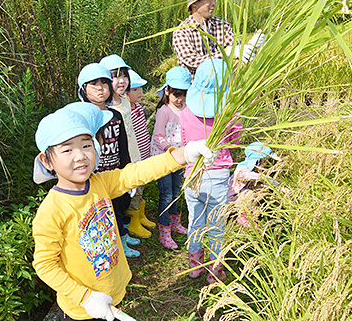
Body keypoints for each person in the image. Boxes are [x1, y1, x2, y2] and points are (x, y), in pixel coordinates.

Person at [32, 103, 217, 321]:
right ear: (47, 160)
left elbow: (138, 173)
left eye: (86, 145)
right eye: (67, 150)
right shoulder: (52, 210)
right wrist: (86, 298)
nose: (80, 156)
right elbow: (45, 264)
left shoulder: (100, 182)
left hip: (111, 289)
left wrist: (183, 154)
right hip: (82, 309)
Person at [180, 58, 242, 284]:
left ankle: (195, 267)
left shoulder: (186, 112)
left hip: (192, 175)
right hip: (217, 176)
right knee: (217, 225)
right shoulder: (227, 113)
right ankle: (215, 272)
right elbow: (234, 140)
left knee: (196, 221)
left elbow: (185, 141)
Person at [77, 63, 141, 258]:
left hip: (115, 173)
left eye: (104, 84)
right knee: (99, 215)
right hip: (94, 178)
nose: (100, 88)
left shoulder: (115, 115)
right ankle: (104, 249)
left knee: (119, 208)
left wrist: (128, 172)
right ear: (83, 89)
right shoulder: (81, 117)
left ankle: (121, 244)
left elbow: (123, 146)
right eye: (93, 84)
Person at [100, 54, 156, 240]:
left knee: (128, 197)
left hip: (133, 155)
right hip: (116, 162)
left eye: (124, 75)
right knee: (117, 201)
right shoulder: (105, 108)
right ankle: (119, 238)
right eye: (115, 76)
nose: (121, 80)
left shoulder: (125, 102)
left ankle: (124, 233)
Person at [173, 0, 265, 76]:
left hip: (226, 86)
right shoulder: (182, 32)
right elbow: (193, 61)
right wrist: (226, 52)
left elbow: (239, 53)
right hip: (198, 89)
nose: (214, 3)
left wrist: (252, 45)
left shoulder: (222, 25)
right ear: (194, 3)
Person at [151, 66, 191, 250]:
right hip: (164, 158)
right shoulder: (164, 111)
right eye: (176, 94)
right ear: (167, 91)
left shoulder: (186, 108)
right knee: (166, 194)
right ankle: (164, 231)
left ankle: (175, 223)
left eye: (183, 94)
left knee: (176, 191)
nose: (180, 99)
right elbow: (158, 136)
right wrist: (170, 149)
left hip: (180, 158)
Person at [228, 142, 281, 229]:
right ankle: (244, 217)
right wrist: (267, 179)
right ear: (258, 161)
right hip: (232, 202)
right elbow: (252, 177)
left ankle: (257, 213)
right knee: (249, 193)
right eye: (265, 162)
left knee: (262, 188)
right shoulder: (241, 169)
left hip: (243, 201)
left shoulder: (255, 172)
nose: (266, 165)